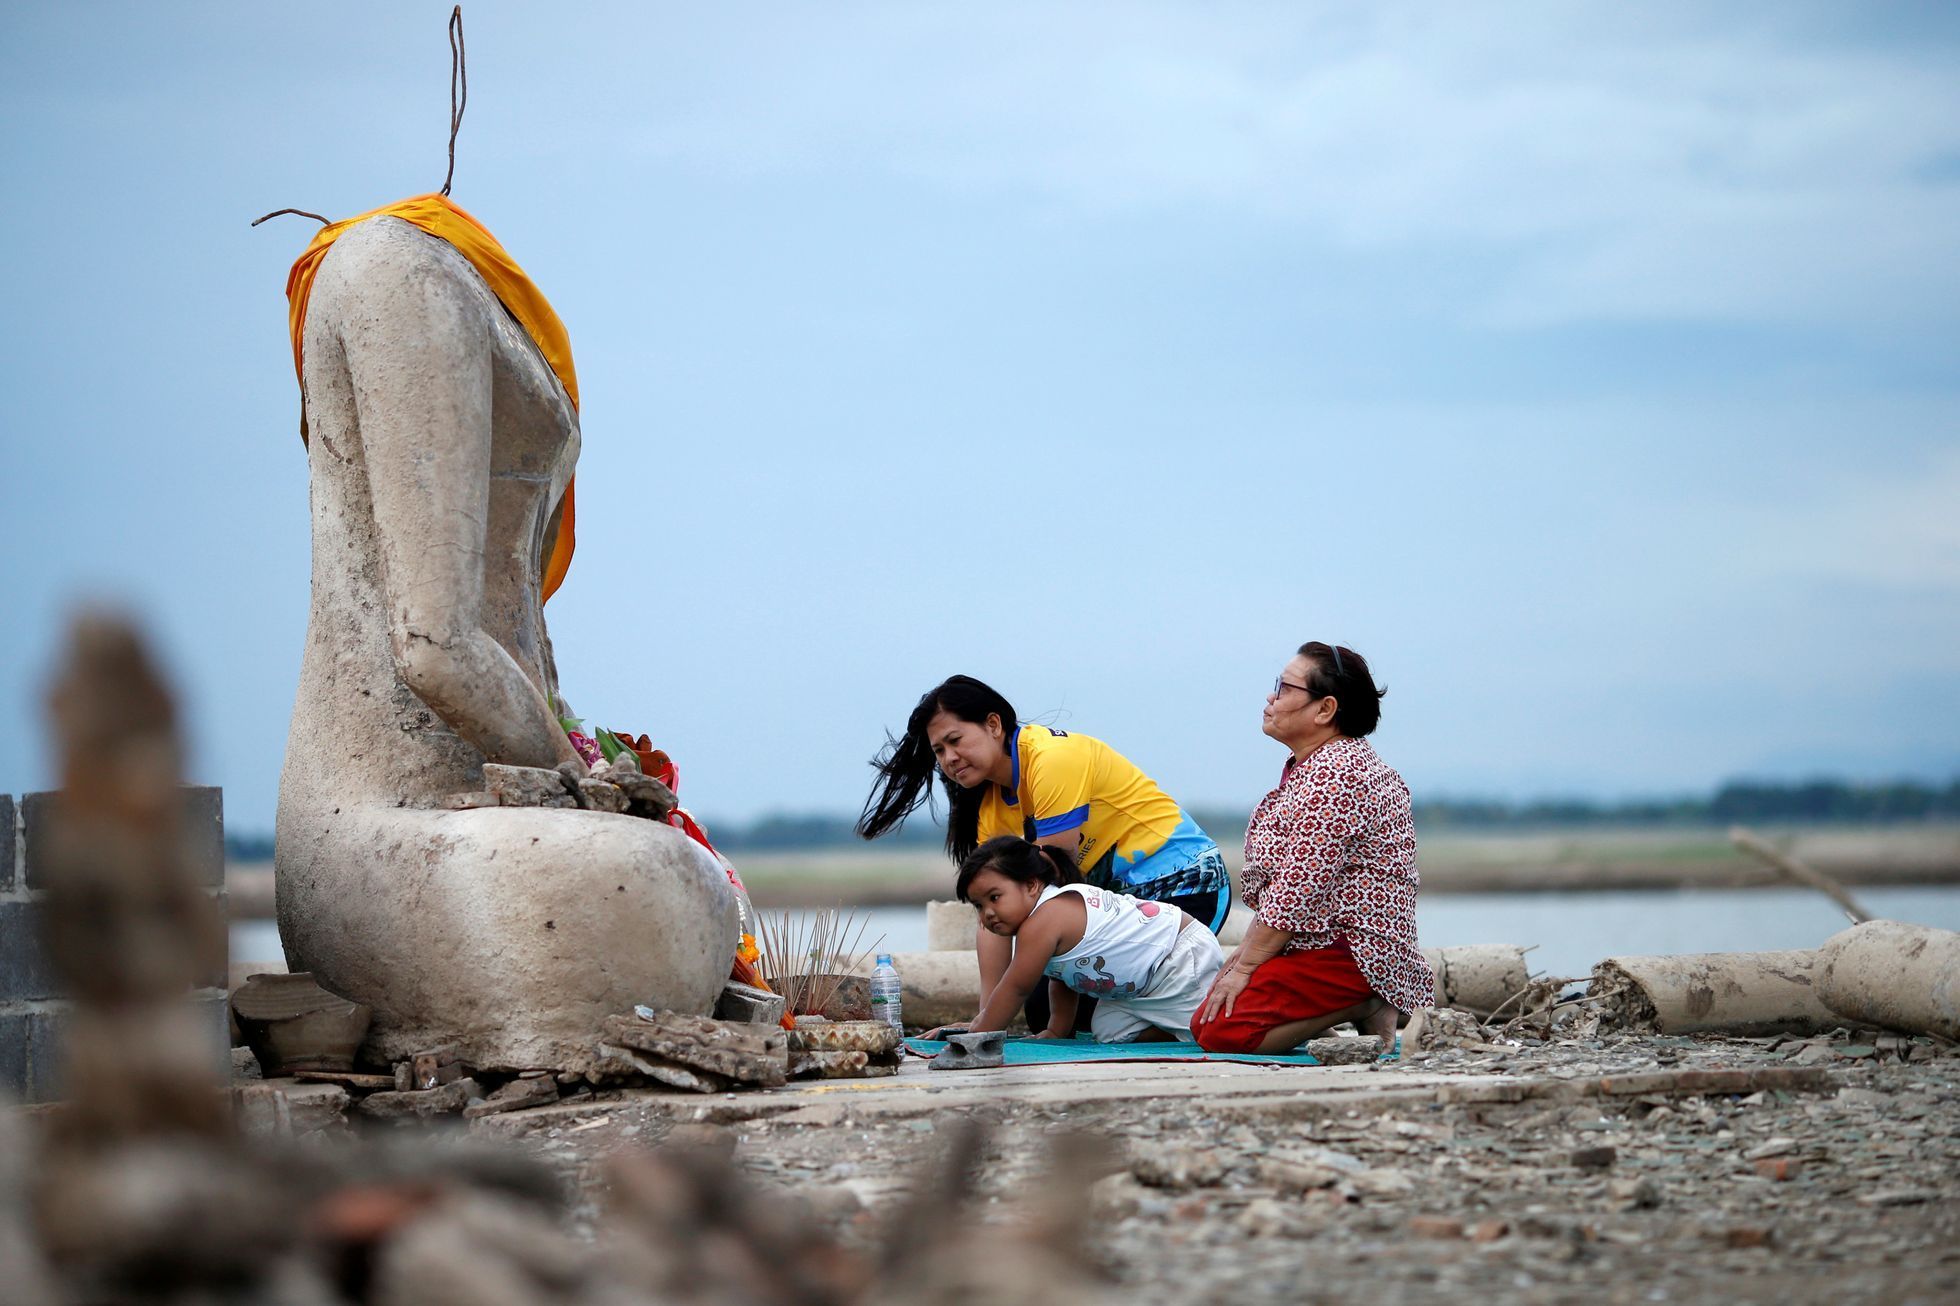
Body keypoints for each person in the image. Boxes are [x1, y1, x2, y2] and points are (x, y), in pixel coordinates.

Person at [857, 675, 1230, 1030]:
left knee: (1066, 1010)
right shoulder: (990, 808)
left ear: (993, 724)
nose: (949, 757)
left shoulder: (1052, 758)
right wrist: (985, 1019)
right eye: (939, 750)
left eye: (955, 740)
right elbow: (995, 909)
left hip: (1186, 888)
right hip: (1119, 910)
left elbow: (1053, 881)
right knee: (1039, 1011)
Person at [1191, 643, 1435, 1054]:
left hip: (1353, 948)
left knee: (1222, 1031)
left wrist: (1248, 964)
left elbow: (1297, 887)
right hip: (1316, 942)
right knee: (1210, 1016)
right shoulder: (1319, 765)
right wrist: (1245, 958)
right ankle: (1341, 1010)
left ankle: (1366, 998)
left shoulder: (1338, 774)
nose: (1271, 698)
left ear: (1324, 710)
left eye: (1283, 688)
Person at [943, 837, 1224, 1043]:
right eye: (978, 906)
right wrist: (1057, 1030)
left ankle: (1192, 1024)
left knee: (1214, 1032)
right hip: (1140, 990)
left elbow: (1015, 988)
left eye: (994, 898)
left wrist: (980, 1034)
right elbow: (1063, 979)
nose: (988, 913)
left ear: (1030, 885)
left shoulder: (1046, 917)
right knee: (1108, 1032)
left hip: (1179, 957)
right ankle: (1175, 1029)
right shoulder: (1041, 922)